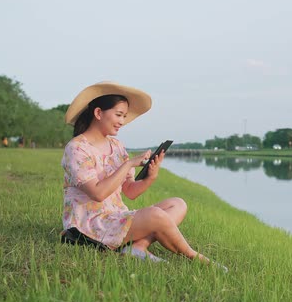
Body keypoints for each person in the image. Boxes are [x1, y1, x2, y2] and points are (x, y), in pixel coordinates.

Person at [61, 81, 226, 270]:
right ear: (98, 113)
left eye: (124, 116)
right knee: (155, 215)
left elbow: (130, 191)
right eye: (118, 115)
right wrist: (129, 163)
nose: (122, 121)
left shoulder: (117, 146)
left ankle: (138, 247)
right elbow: (97, 194)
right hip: (90, 224)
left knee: (177, 204)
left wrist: (150, 176)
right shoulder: (77, 148)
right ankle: (193, 256)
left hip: (115, 215)